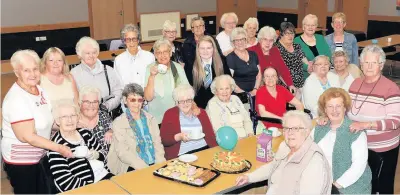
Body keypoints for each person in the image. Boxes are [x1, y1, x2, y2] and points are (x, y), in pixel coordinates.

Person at [2, 50, 73, 194]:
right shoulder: (16, 98)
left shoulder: (39, 90)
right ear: (17, 72)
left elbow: (48, 121)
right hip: (21, 163)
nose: (33, 74)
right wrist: (59, 148)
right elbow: (28, 136)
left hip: (40, 156)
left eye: (35, 69)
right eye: (26, 70)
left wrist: (68, 126)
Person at [235, 110, 332, 194]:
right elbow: (273, 166)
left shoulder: (314, 162)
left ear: (307, 132)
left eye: (296, 128)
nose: (290, 133)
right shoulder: (285, 146)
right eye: (287, 128)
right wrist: (249, 177)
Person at [347, 45, 400, 194]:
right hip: (359, 146)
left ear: (381, 65)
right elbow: (347, 110)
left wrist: (365, 124)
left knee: (381, 188)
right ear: (361, 64)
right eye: (366, 62)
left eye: (374, 63)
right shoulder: (355, 83)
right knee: (363, 187)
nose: (369, 66)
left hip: (382, 149)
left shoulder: (391, 88)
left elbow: (395, 122)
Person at [311, 88, 371, 194]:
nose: (334, 110)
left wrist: (336, 185)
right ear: (325, 109)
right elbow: (307, 148)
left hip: (348, 186)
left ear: (345, 108)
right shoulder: (320, 127)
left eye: (338, 106)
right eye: (330, 106)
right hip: (321, 180)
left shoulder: (355, 131)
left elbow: (359, 165)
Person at [48, 99, 112, 192]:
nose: (69, 120)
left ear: (78, 117)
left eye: (73, 115)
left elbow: (104, 153)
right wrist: (95, 189)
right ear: (57, 121)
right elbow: (66, 182)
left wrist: (97, 155)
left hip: (105, 178)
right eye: (64, 117)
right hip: (85, 189)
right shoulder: (56, 146)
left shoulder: (85, 133)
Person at [107, 83, 166, 175]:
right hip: (131, 166)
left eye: (139, 100)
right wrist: (145, 169)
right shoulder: (119, 123)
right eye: (132, 100)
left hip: (153, 163)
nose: (136, 104)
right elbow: (123, 153)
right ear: (125, 101)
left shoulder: (150, 119)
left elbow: (157, 144)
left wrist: (161, 164)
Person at [160, 85, 217, 160]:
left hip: (204, 149)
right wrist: (178, 137)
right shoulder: (170, 114)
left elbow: (210, 135)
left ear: (192, 100)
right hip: (182, 154)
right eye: (181, 101)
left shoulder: (201, 112)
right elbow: (164, 140)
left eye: (188, 100)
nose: (185, 104)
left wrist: (216, 151)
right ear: (176, 102)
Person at [71, 36, 123, 112]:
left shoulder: (109, 70)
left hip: (107, 114)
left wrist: (106, 106)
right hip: (83, 117)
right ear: (79, 55)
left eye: (94, 52)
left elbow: (118, 93)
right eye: (87, 53)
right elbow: (73, 99)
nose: (91, 56)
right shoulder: (73, 73)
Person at [144, 38, 189, 125]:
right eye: (159, 53)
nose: (162, 55)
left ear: (170, 53)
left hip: (177, 117)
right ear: (155, 55)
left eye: (165, 52)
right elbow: (148, 97)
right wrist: (152, 76)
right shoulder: (150, 68)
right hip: (156, 119)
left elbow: (187, 92)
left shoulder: (177, 67)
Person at [248, 26, 295, 92]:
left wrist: (290, 85)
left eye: (271, 40)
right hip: (256, 87)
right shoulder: (251, 51)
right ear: (260, 39)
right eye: (265, 39)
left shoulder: (274, 50)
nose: (268, 43)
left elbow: (283, 69)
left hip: (273, 86)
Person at [190, 35, 231, 108]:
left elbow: (229, 83)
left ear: (213, 49)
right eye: (202, 48)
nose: (205, 51)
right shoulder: (191, 65)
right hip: (199, 106)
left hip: (220, 103)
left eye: (208, 48)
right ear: (198, 50)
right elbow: (190, 89)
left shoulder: (222, 62)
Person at [114, 24, 155, 88]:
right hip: (127, 96)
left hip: (146, 95)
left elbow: (153, 81)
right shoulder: (118, 60)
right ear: (124, 41)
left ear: (138, 40)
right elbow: (118, 85)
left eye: (134, 39)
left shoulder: (149, 57)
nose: (131, 42)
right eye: (128, 39)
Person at [275, 22, 308, 99]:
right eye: (287, 33)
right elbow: (278, 71)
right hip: (285, 86)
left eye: (292, 33)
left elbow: (305, 61)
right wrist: (290, 86)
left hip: (301, 85)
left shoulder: (297, 46)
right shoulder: (275, 49)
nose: (290, 36)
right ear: (281, 34)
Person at [226, 27, 261, 99]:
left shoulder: (253, 54)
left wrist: (255, 89)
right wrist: (245, 94)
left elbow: (259, 75)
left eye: (242, 39)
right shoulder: (230, 58)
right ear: (233, 43)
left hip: (255, 92)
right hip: (239, 95)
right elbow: (229, 80)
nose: (240, 42)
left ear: (246, 40)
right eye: (237, 40)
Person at [294, 14, 332, 80]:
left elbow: (328, 55)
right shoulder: (296, 41)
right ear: (303, 27)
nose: (310, 27)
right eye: (308, 25)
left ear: (316, 27)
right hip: (305, 77)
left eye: (313, 25)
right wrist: (307, 67)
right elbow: (295, 60)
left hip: (324, 74)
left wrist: (323, 66)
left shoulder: (320, 38)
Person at [77, 86, 113, 155]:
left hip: (107, 161)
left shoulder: (104, 116)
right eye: (87, 102)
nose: (91, 105)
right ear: (80, 103)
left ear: (99, 103)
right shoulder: (73, 121)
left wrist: (112, 130)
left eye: (95, 102)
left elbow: (115, 127)